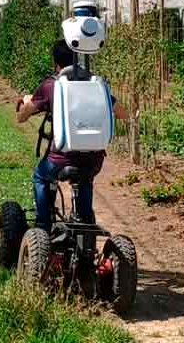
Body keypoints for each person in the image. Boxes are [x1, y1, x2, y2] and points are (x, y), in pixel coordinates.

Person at [16, 39, 127, 230]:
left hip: (61, 160)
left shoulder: (51, 86)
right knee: (85, 177)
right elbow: (123, 113)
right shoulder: (96, 84)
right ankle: (85, 224)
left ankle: (43, 224)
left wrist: (27, 102)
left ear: (56, 63)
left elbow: (22, 117)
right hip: (94, 160)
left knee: (41, 177)